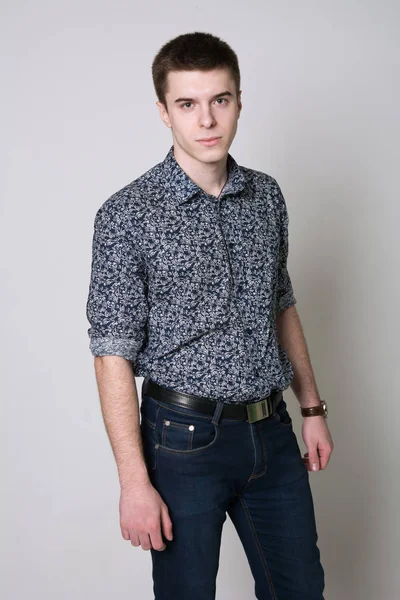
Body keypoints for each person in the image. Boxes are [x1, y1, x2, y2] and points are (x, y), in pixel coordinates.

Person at [86, 31, 334, 600]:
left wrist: (312, 406)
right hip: (182, 443)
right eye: (187, 104)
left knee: (301, 591)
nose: (207, 120)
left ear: (239, 102)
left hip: (272, 434)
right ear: (163, 112)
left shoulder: (266, 197)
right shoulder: (127, 215)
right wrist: (133, 483)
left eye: (220, 100)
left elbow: (282, 303)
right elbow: (111, 357)